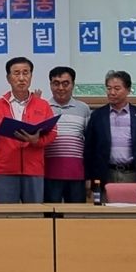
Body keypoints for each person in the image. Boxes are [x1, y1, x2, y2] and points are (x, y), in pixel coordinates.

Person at [0, 57, 56, 203]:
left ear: (31, 76)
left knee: (34, 213)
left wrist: (37, 140)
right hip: (5, 171)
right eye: (16, 73)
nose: (22, 78)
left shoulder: (43, 105)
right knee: (8, 214)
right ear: (8, 78)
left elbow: (53, 133)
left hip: (34, 170)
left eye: (26, 73)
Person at [84, 70, 136, 187]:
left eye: (117, 88)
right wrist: (89, 177)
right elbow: (89, 148)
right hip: (105, 174)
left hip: (132, 174)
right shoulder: (98, 115)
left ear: (128, 90)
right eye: (109, 88)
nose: (112, 92)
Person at [43, 66, 91, 203]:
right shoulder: (43, 107)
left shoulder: (84, 108)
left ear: (73, 84)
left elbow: (89, 143)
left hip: (77, 173)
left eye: (65, 83)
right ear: (50, 85)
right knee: (51, 213)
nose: (61, 88)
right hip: (49, 173)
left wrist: (89, 175)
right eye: (56, 83)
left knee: (75, 213)